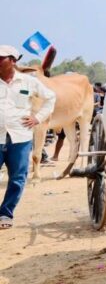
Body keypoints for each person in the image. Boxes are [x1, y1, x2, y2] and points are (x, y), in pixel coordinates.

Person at [0, 45, 56, 230]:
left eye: (1, 58)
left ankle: (5, 213)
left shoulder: (28, 82)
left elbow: (50, 97)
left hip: (20, 138)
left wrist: (38, 118)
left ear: (12, 61)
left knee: (17, 177)